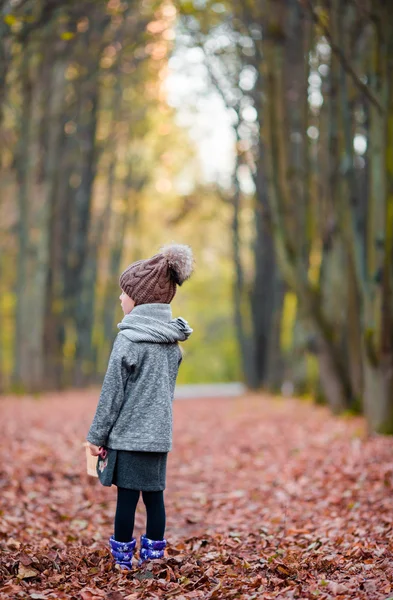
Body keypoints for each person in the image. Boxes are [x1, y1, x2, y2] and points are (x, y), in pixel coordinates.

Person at [86, 244, 194, 570]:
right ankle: (154, 558)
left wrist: (97, 436)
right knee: (155, 498)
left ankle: (123, 561)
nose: (121, 298)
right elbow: (165, 394)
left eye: (124, 293)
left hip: (128, 438)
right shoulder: (172, 345)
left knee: (127, 500)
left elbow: (112, 395)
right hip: (158, 438)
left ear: (140, 300)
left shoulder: (128, 340)